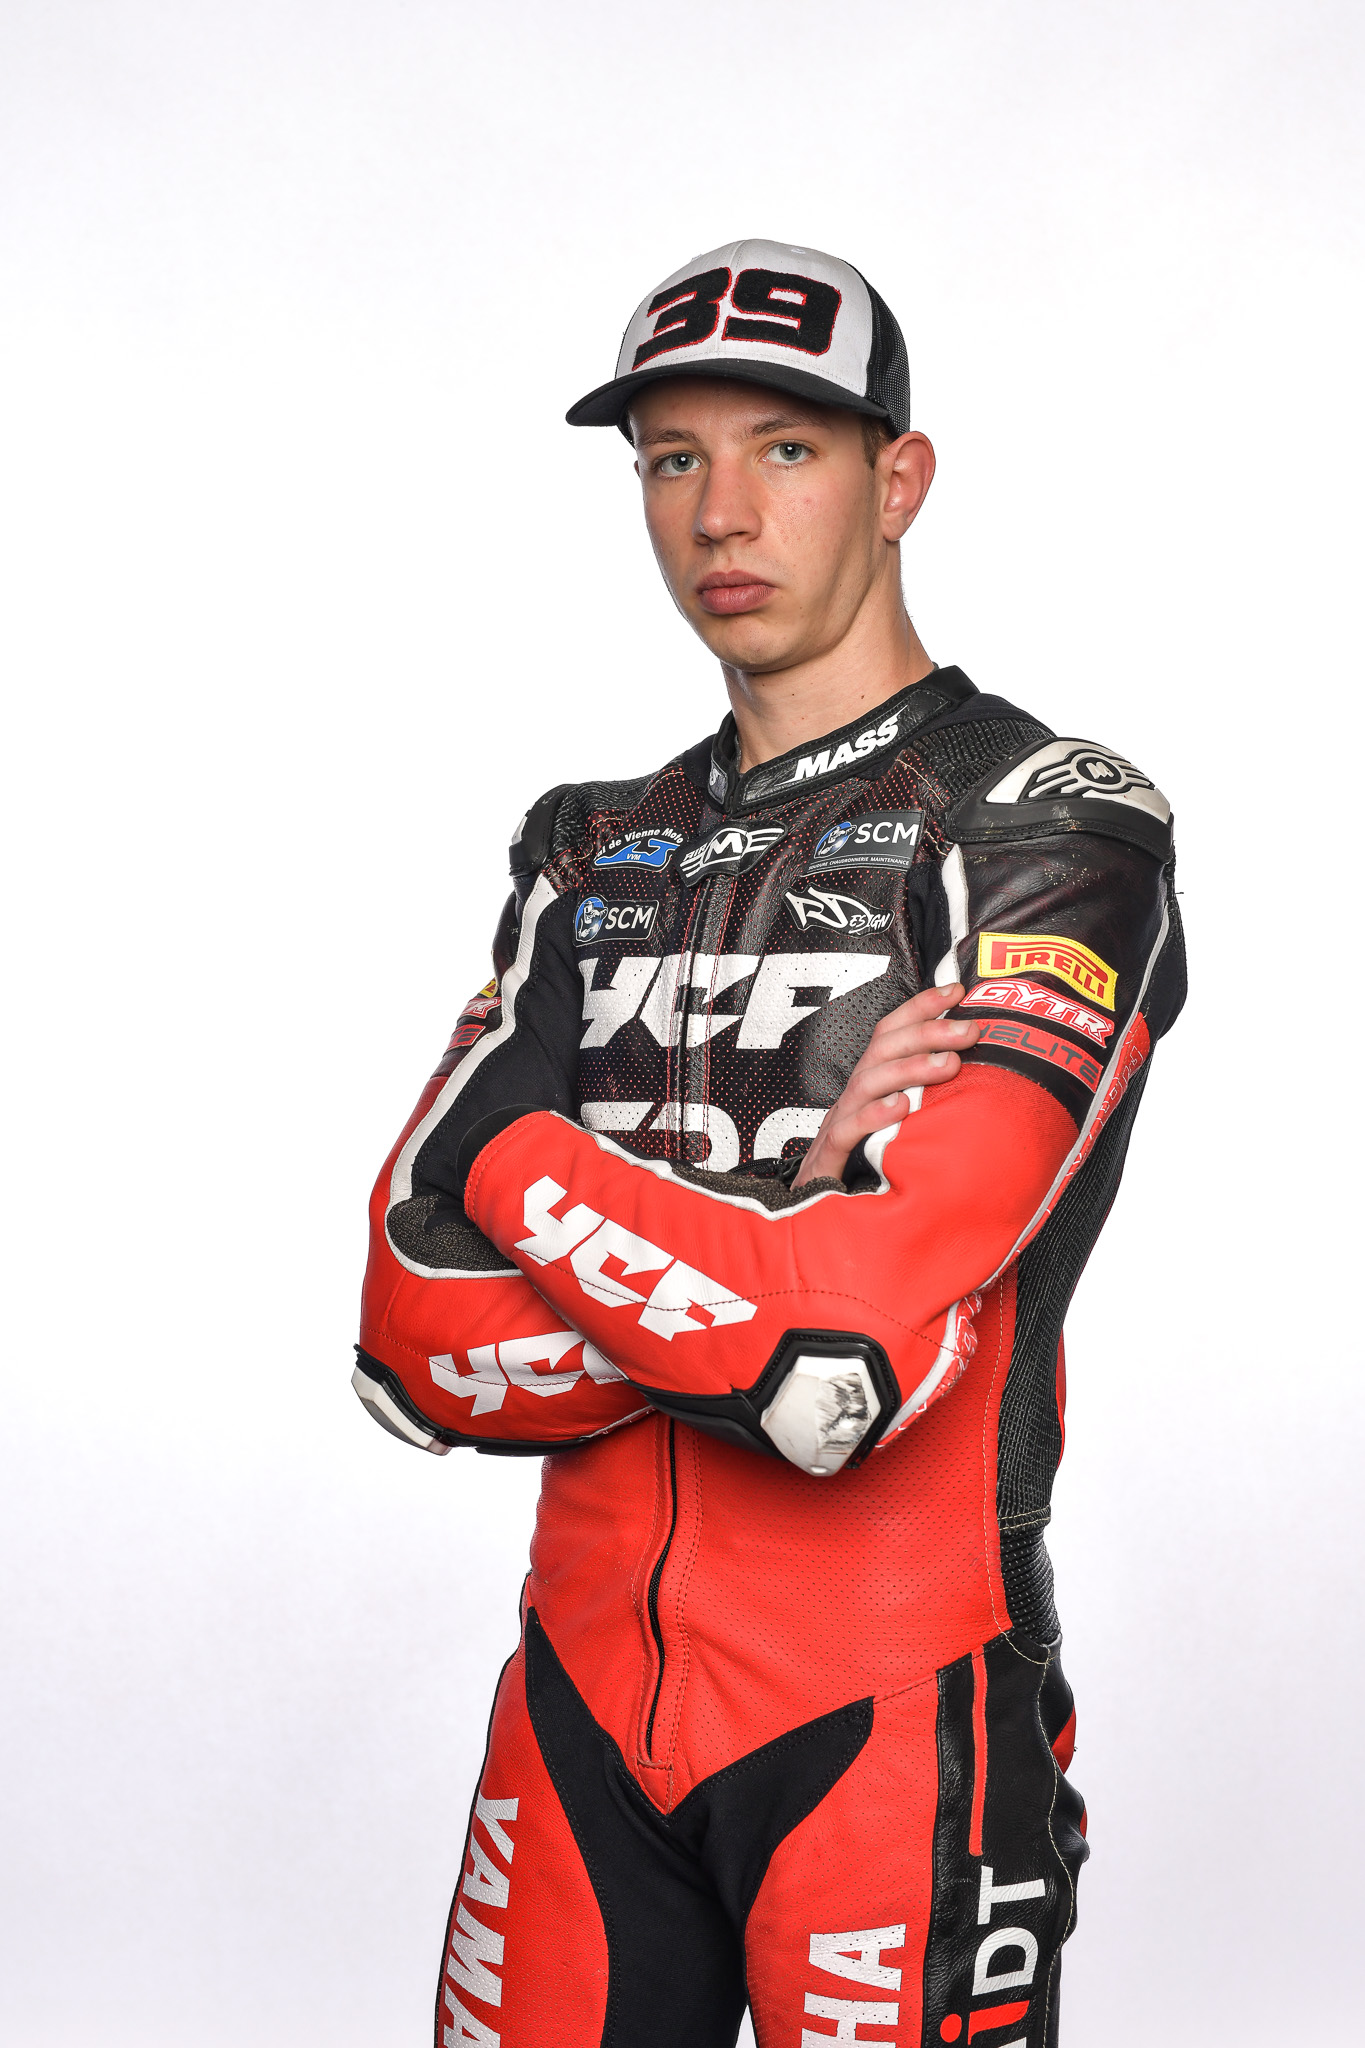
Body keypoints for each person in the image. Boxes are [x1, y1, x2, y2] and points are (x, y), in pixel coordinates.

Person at [354, 239, 1185, 2048]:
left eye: (785, 449)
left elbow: (851, 1345)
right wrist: (780, 1227)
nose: (719, 513)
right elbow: (409, 1339)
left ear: (899, 479)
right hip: (575, 1707)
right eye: (672, 458)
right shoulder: (588, 845)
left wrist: (518, 1159)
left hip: (893, 1708)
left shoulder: (1042, 821)